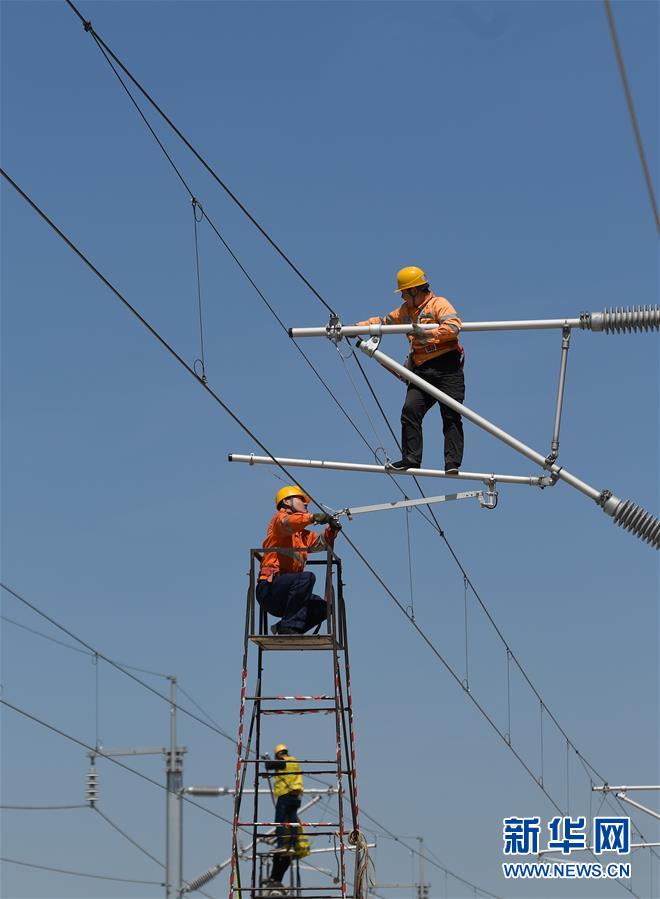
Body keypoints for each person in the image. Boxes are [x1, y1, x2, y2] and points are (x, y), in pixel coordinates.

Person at [357, 265, 465, 473]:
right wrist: (355, 328)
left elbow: (453, 327)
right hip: (422, 369)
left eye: (404, 293)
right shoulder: (405, 311)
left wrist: (429, 334)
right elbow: (383, 322)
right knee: (410, 410)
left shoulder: (438, 304)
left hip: (447, 366)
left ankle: (452, 463)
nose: (402, 297)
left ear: (414, 290)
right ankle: (411, 459)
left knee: (451, 414)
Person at [257, 486, 341, 635]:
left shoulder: (301, 535)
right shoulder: (279, 519)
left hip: (289, 593)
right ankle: (288, 627)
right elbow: (288, 523)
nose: (305, 503)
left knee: (324, 608)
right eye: (301, 499)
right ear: (287, 502)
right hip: (270, 589)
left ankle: (284, 627)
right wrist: (312, 517)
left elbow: (322, 544)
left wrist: (332, 530)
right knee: (306, 578)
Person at [262, 743, 304, 892]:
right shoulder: (294, 762)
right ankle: (290, 845)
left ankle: (281, 845)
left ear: (278, 754)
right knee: (292, 821)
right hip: (296, 796)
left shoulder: (284, 761)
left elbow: (269, 766)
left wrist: (266, 760)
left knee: (279, 822)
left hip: (285, 795)